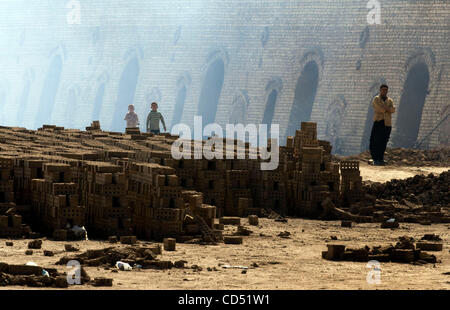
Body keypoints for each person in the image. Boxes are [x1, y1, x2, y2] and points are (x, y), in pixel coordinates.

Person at [369, 84, 396, 166]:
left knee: (383, 141)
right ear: (380, 90)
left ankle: (380, 159)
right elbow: (378, 108)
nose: (384, 91)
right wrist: (387, 109)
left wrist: (386, 108)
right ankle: (375, 159)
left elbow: (393, 109)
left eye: (386, 90)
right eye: (383, 89)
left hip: (387, 124)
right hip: (378, 122)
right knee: (375, 141)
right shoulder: (376, 99)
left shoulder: (390, 100)